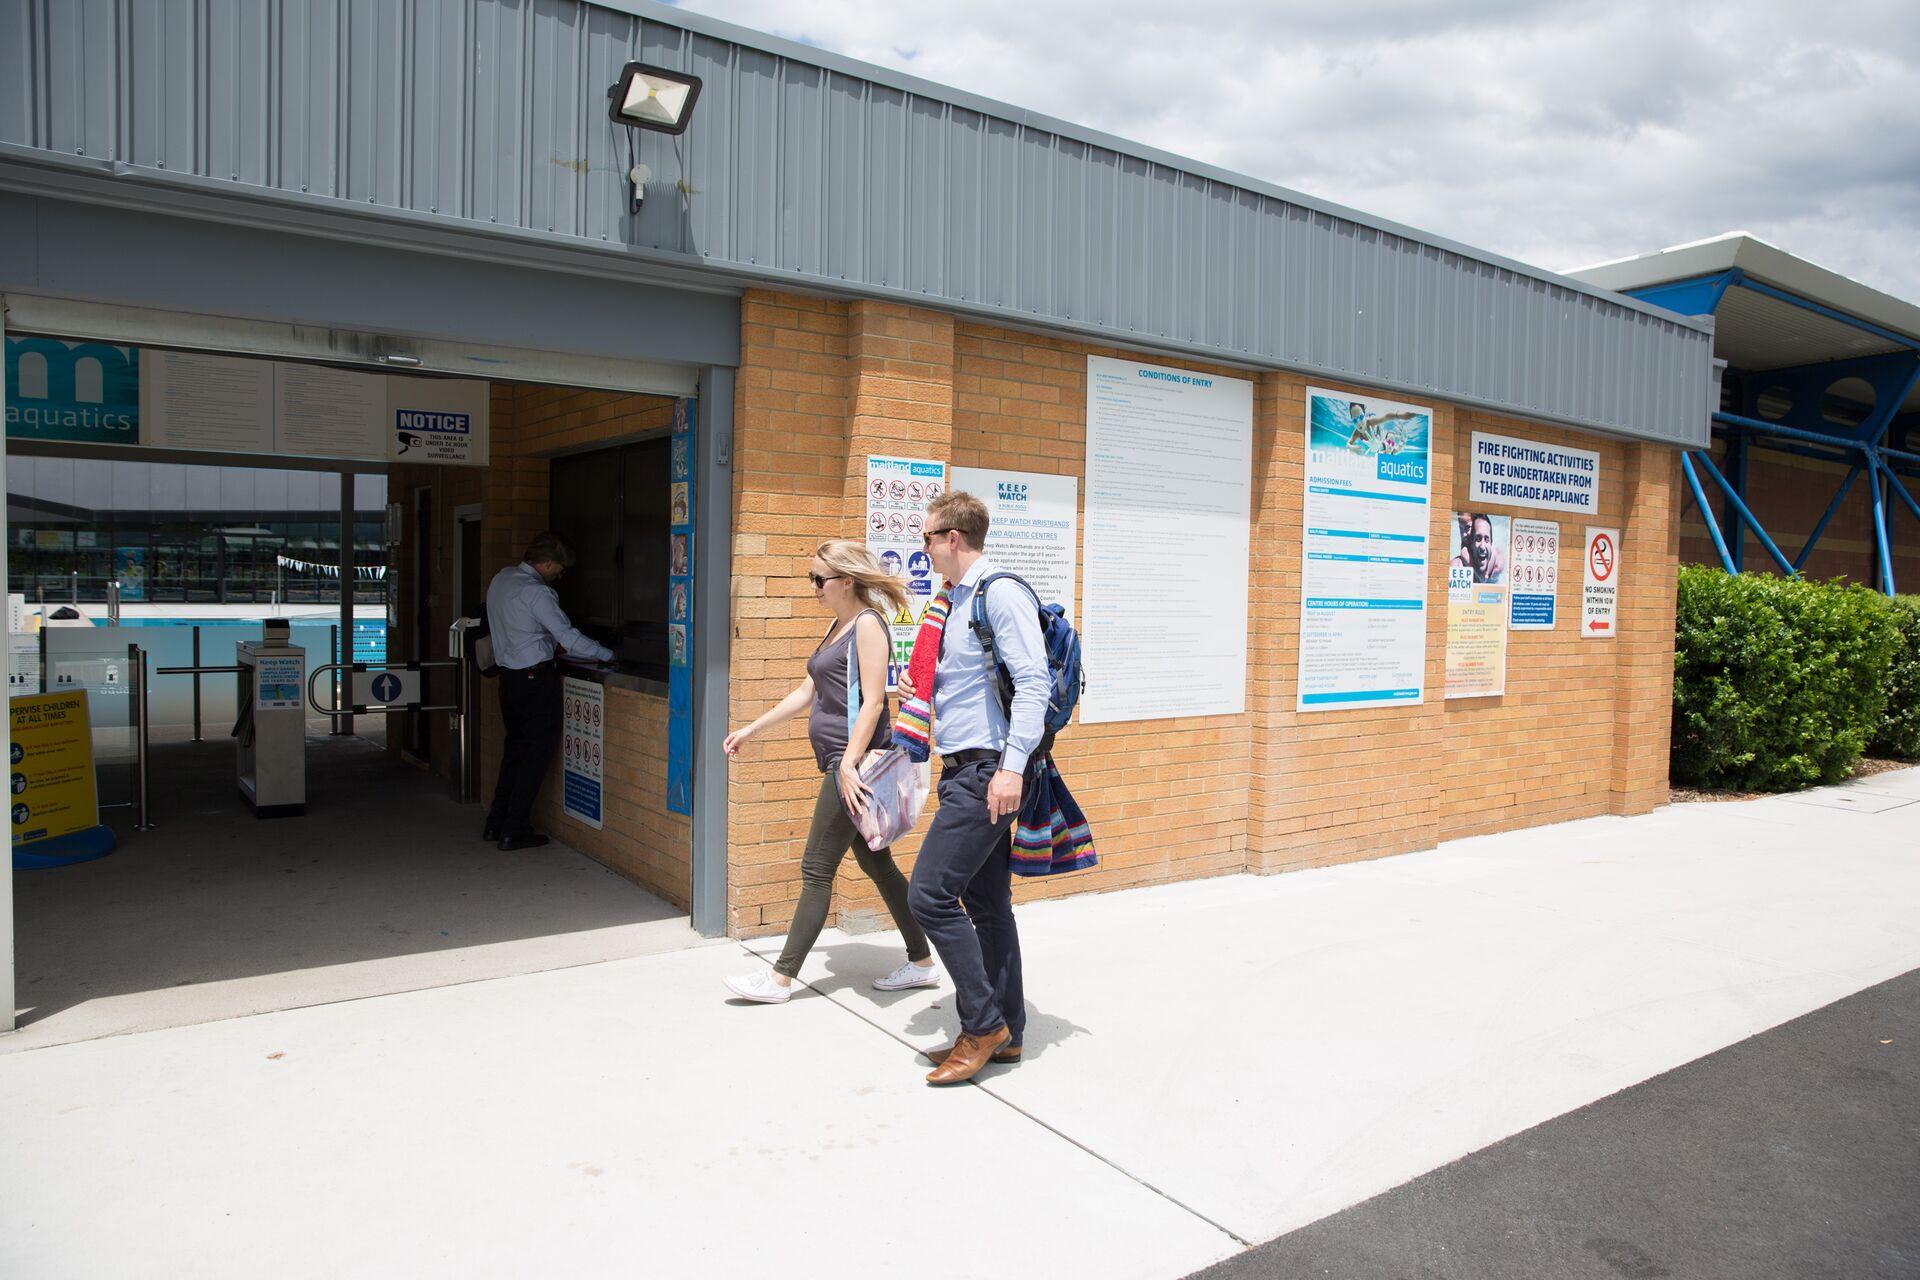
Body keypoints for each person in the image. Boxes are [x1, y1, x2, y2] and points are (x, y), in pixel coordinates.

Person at [720, 540, 939, 1004]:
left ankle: (780, 979)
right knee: (877, 865)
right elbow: (807, 690)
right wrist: (752, 729)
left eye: (820, 579)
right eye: (811, 579)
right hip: (842, 762)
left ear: (848, 581)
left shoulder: (868, 626)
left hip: (851, 766)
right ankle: (921, 960)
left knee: (816, 868)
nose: (814, 587)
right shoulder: (839, 626)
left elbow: (876, 700)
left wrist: (846, 764)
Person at [898, 491, 1049, 1085]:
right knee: (987, 905)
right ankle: (1007, 1028)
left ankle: (982, 1023)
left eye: (928, 538)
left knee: (929, 895)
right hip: (962, 767)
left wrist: (1012, 767)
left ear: (952, 537)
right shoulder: (951, 603)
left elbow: (1034, 682)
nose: (925, 548)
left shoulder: (999, 594)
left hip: (989, 769)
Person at [483, 531, 613, 851]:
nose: (560, 574)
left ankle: (495, 822)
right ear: (545, 563)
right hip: (535, 680)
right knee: (537, 752)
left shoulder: (501, 580)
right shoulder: (538, 593)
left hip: (509, 681)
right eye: (559, 568)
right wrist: (608, 654)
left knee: (515, 750)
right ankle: (515, 828)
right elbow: (568, 637)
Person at [1450, 512, 1506, 583]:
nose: (1464, 534)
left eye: (1468, 528)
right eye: (1461, 528)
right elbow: (1464, 554)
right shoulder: (1461, 556)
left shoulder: (1495, 554)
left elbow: (1496, 554)